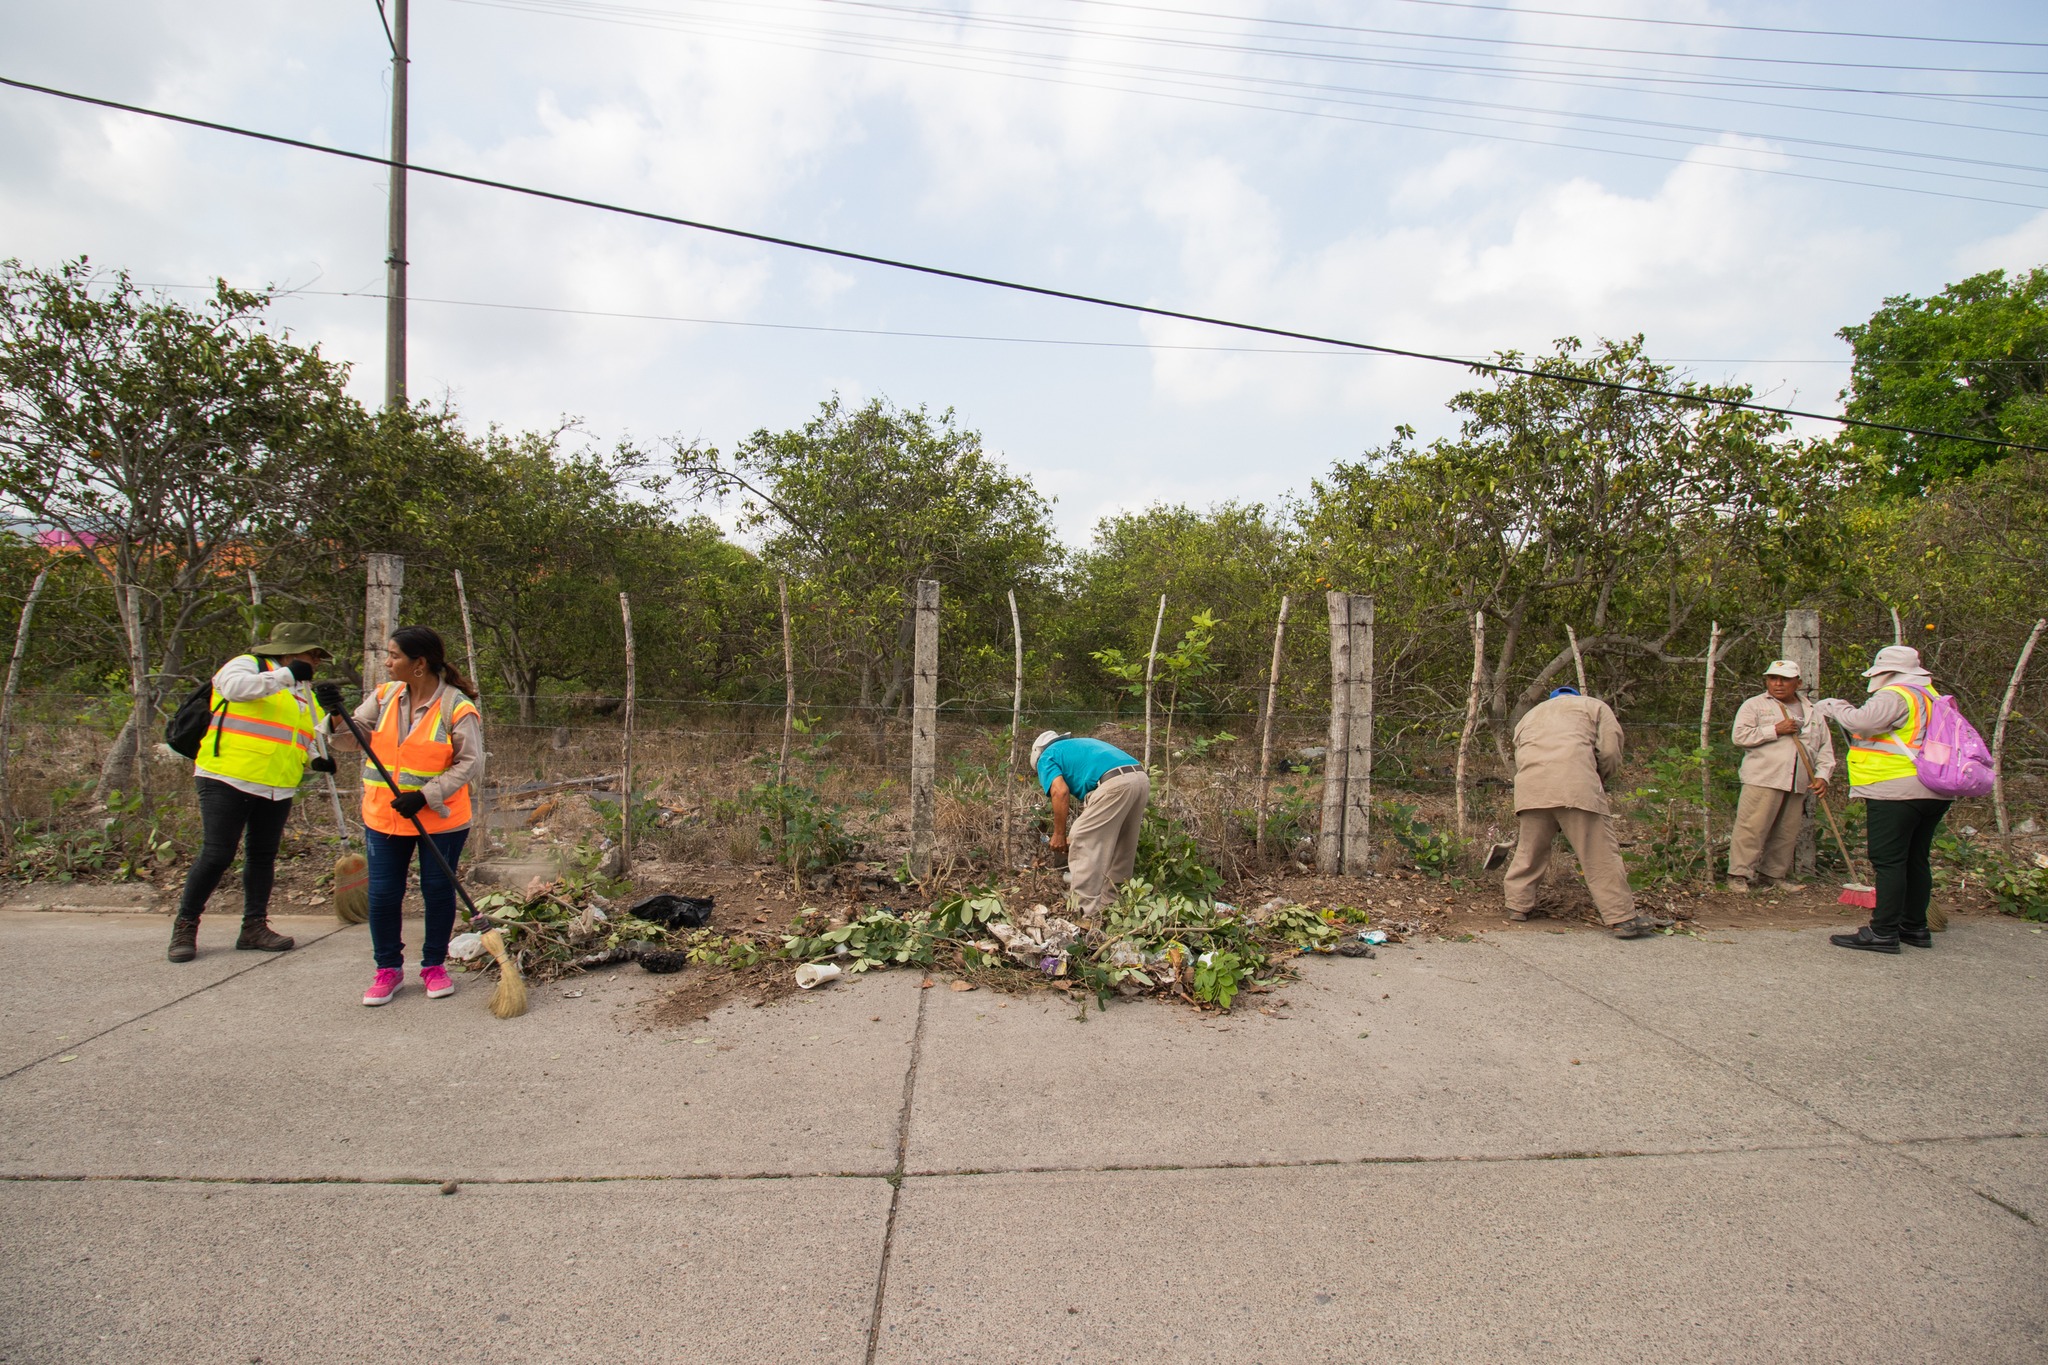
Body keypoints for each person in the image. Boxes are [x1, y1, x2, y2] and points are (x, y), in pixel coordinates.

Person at [328, 626, 483, 1004]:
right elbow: (351, 740)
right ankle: (388, 969)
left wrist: (425, 795)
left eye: (394, 655)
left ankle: (433, 965)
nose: (387, 662)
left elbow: (470, 763)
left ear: (420, 663)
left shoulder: (456, 707)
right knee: (383, 894)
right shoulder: (384, 696)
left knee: (437, 890)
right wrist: (334, 715)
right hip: (384, 816)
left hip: (441, 819)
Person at [167, 623, 331, 962]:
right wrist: (286, 675)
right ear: (290, 652)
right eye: (312, 654)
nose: (316, 661)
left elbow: (304, 731)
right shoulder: (248, 665)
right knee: (217, 854)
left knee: (262, 856)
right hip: (228, 776)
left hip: (277, 784)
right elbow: (234, 689)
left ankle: (254, 927)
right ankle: (185, 925)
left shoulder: (303, 690)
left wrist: (316, 757)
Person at [1813, 644, 1950, 954]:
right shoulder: (1931, 696)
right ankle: (1914, 926)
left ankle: (1883, 931)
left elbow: (1862, 722)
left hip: (1895, 788)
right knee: (1916, 859)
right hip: (1934, 788)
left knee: (1888, 861)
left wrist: (1834, 706)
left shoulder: (1896, 695)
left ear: (1886, 672)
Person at [1503, 686, 1666, 939]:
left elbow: (1520, 753)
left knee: (1530, 849)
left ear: (1552, 699)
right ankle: (1621, 917)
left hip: (1531, 789)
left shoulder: (1530, 715)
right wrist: (1599, 778)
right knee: (1598, 853)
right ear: (1575, 696)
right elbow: (1610, 751)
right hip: (1576, 785)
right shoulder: (1595, 706)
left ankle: (1517, 904)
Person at [1726, 659, 1836, 893]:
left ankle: (1772, 876)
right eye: (1773, 678)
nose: (1778, 683)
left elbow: (1824, 747)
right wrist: (1775, 729)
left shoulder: (1813, 711)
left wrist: (1823, 776)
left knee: (1786, 832)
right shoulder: (1754, 705)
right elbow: (1739, 736)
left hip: (1798, 780)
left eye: (1784, 679)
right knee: (1751, 828)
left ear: (1798, 683)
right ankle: (1739, 875)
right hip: (1763, 777)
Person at [1032, 730, 1149, 918]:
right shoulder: (1076, 746)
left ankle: (1083, 912)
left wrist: (1059, 834)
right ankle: (1114, 906)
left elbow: (1060, 792)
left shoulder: (1046, 757)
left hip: (1114, 783)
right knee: (1123, 845)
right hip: (1140, 778)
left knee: (1081, 838)